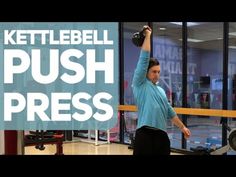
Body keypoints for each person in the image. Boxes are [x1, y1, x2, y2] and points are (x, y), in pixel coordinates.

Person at [132, 25, 191, 155]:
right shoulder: (140, 84)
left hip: (161, 136)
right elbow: (144, 59)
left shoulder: (161, 91)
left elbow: (170, 112)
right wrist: (147, 35)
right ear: (146, 72)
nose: (157, 74)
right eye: (154, 72)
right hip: (145, 134)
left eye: (159, 72)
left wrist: (182, 127)